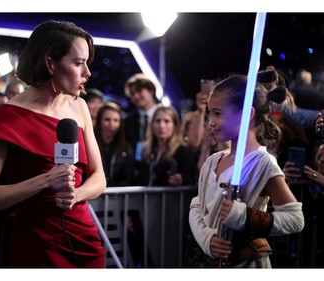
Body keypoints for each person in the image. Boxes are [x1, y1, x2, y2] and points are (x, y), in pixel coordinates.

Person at [0, 20, 106, 268]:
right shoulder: (7, 117)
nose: (88, 72)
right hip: (36, 244)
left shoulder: (79, 107)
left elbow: (99, 178)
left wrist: (76, 195)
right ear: (50, 63)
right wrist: (45, 181)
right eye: (78, 63)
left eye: (87, 63)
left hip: (84, 239)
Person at [188, 71, 304, 268]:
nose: (211, 122)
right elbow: (197, 205)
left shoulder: (262, 163)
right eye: (210, 113)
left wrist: (244, 216)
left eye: (218, 113)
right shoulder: (212, 161)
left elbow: (295, 219)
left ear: (247, 114)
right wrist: (207, 239)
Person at [283, 144, 324, 267]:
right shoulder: (304, 184)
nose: (322, 160)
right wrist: (281, 180)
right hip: (302, 251)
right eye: (320, 156)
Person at [137, 104, 196, 187]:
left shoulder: (183, 152)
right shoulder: (146, 151)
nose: (161, 126)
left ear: (174, 126)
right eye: (158, 121)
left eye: (166, 121)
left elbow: (191, 182)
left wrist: (181, 181)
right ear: (152, 125)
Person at [94, 101, 134, 187]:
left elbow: (129, 178)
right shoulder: (90, 145)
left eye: (116, 120)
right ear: (99, 121)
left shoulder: (126, 148)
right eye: (107, 120)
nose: (111, 124)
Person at [123, 73, 160, 164]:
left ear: (151, 91)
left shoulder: (166, 116)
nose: (135, 96)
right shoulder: (127, 121)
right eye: (132, 93)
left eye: (139, 91)